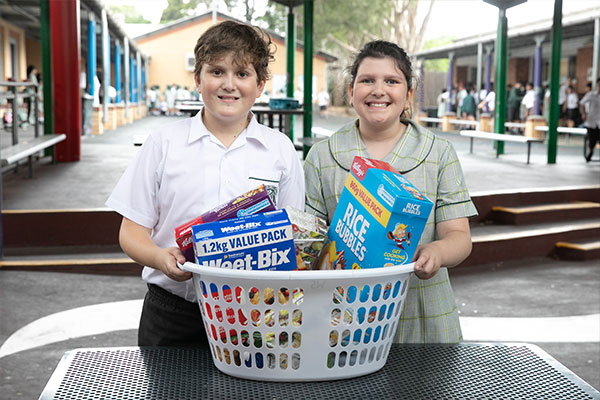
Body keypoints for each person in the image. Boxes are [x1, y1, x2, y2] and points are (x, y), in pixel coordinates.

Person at [106, 20, 305, 347]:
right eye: (217, 72)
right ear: (197, 79)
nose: (229, 84)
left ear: (261, 85)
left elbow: (292, 235)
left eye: (242, 74)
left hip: (253, 314)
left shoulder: (280, 149)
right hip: (171, 313)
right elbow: (131, 232)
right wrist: (160, 258)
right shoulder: (163, 143)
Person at [303, 40, 477, 343]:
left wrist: (435, 252)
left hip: (422, 314)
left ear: (408, 94)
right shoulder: (322, 155)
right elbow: (310, 242)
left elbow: (460, 238)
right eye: (367, 80)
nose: (378, 90)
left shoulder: (438, 153)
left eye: (392, 81)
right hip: (343, 318)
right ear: (351, 90)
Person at [580, 78, 600, 162]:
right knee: (592, 140)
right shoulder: (591, 95)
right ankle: (590, 152)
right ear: (597, 86)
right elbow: (582, 103)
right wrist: (584, 114)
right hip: (591, 121)